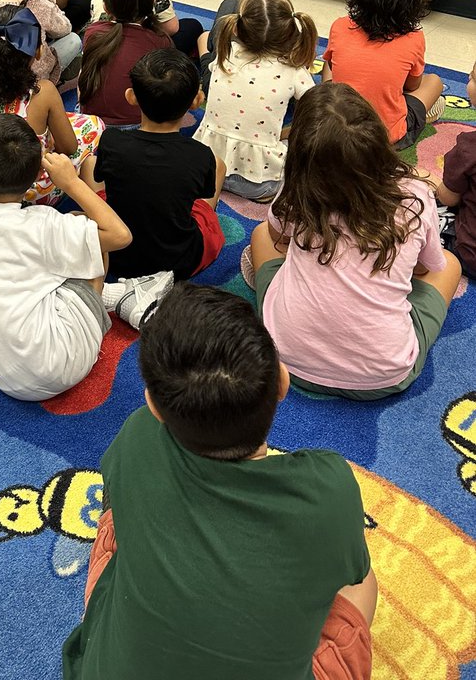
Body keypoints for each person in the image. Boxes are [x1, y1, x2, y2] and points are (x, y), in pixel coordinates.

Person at [63, 283, 377, 680]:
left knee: (114, 528)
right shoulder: (327, 488)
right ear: (282, 382)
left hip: (101, 666)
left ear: (154, 406)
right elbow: (347, 570)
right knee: (361, 582)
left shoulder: (138, 436)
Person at [248, 83, 461, 399]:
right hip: (383, 376)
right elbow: (421, 270)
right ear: (377, 142)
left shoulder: (295, 192)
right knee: (450, 266)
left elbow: (279, 237)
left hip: (284, 356)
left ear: (299, 154)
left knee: (260, 235)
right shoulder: (413, 196)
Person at [0, 114, 132, 401]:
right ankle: (100, 303)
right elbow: (120, 236)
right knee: (85, 226)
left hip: (4, 379)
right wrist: (71, 182)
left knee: (69, 233)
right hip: (64, 363)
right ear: (37, 178)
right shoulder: (42, 222)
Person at [92, 48, 224, 318]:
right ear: (195, 102)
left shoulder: (111, 141)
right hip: (180, 260)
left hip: (116, 251)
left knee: (90, 165)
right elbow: (202, 197)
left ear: (131, 97)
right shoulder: (200, 155)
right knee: (217, 167)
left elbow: (97, 179)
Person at [0, 4, 103, 204]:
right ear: (36, 51)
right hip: (33, 190)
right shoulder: (43, 92)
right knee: (93, 125)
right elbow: (69, 148)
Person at [195, 0, 317, 201]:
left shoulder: (226, 52)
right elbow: (316, 106)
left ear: (236, 29)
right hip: (259, 184)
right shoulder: (294, 69)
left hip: (205, 168)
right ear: (290, 30)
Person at [323, 0, 445, 150]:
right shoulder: (414, 38)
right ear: (412, 3)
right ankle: (421, 114)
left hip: (335, 128)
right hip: (385, 138)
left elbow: (333, 66)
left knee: (328, 63)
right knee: (435, 81)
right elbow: (412, 86)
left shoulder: (339, 26)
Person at [79, 0, 171, 127]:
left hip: (91, 123)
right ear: (152, 4)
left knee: (86, 67)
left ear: (105, 6)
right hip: (138, 124)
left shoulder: (93, 31)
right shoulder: (160, 40)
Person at [197, 0, 292, 95]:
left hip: (218, 88)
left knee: (203, 38)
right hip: (273, 92)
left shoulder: (230, 6)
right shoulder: (293, 21)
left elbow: (212, 46)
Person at [431, 59, 476, 278]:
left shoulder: (468, 148)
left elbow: (449, 198)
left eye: (473, 77)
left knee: (423, 194)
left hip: (470, 254)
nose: (468, 77)